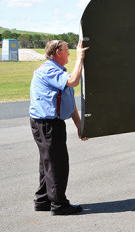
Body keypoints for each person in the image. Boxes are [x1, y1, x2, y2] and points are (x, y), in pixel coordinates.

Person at [29, 39, 88, 216]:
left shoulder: (58, 71)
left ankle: (43, 200)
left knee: (48, 163)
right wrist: (80, 58)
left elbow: (68, 101)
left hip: (50, 123)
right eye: (66, 50)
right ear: (57, 53)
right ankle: (59, 205)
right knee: (57, 165)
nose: (69, 52)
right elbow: (74, 82)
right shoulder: (49, 70)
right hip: (47, 124)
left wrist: (80, 126)